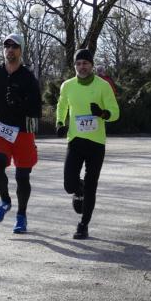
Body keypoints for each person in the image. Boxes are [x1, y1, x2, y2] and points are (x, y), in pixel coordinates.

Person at [0, 34, 42, 234]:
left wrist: (20, 102)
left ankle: (21, 215)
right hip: (0, 129)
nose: (10, 49)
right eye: (7, 46)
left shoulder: (28, 78)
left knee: (22, 177)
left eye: (15, 46)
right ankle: (5, 201)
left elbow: (36, 108)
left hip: (23, 131)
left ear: (21, 51)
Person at [55, 49, 119, 239]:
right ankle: (78, 188)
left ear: (91, 65)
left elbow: (115, 112)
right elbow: (62, 106)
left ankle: (83, 225)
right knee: (69, 184)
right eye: (78, 63)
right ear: (74, 66)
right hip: (75, 140)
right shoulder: (67, 85)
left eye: (85, 63)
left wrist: (102, 113)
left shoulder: (103, 86)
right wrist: (60, 122)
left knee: (92, 185)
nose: (81, 67)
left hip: (96, 143)